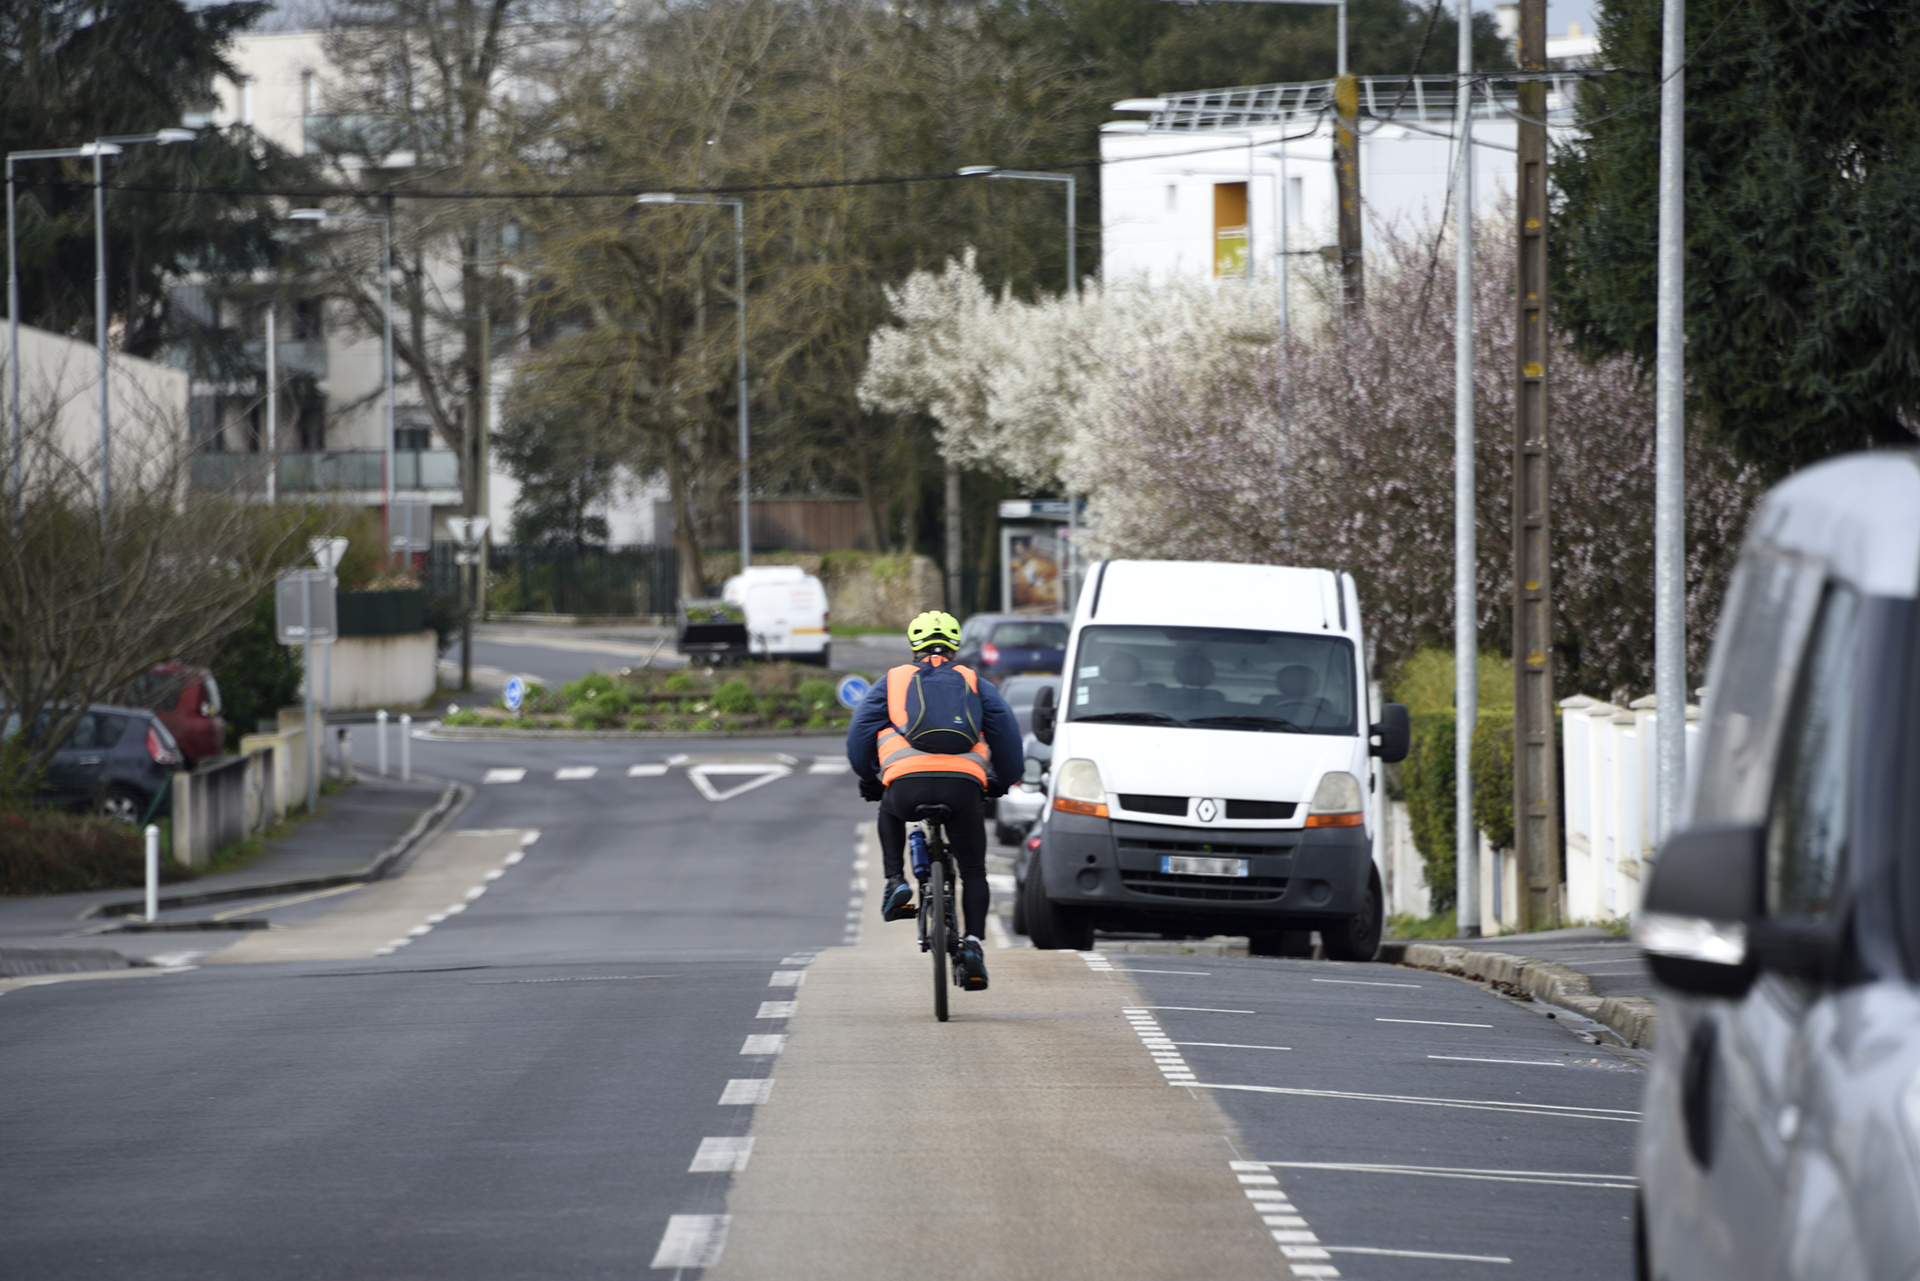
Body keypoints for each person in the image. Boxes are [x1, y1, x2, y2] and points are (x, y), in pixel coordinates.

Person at [847, 610, 1023, 991]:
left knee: (889, 809)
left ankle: (895, 880)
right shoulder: (975, 682)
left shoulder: (892, 681)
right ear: (955, 646)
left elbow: (860, 730)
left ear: (913, 645)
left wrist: (869, 777)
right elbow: (1007, 735)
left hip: (906, 786)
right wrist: (1001, 781)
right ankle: (974, 944)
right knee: (974, 870)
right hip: (962, 789)